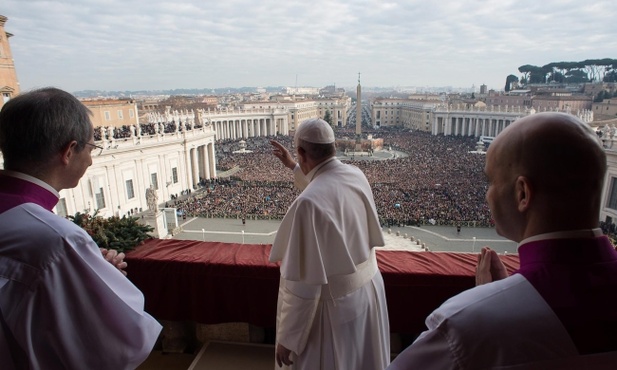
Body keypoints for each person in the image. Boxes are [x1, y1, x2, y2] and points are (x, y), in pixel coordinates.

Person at [387, 112, 617, 369]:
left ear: (522, 193)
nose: (487, 195)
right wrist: (508, 294)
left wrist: (491, 301)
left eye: (490, 181)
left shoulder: (465, 327)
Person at [0, 87, 162, 369]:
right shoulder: (59, 241)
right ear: (69, 151)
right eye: (91, 148)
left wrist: (86, 265)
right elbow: (129, 340)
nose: (90, 159)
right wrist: (101, 275)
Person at [269, 118, 390, 370]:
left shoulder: (307, 205)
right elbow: (328, 187)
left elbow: (302, 284)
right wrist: (294, 166)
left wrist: (288, 337)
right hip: (367, 294)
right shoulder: (356, 174)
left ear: (302, 152)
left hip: (334, 310)